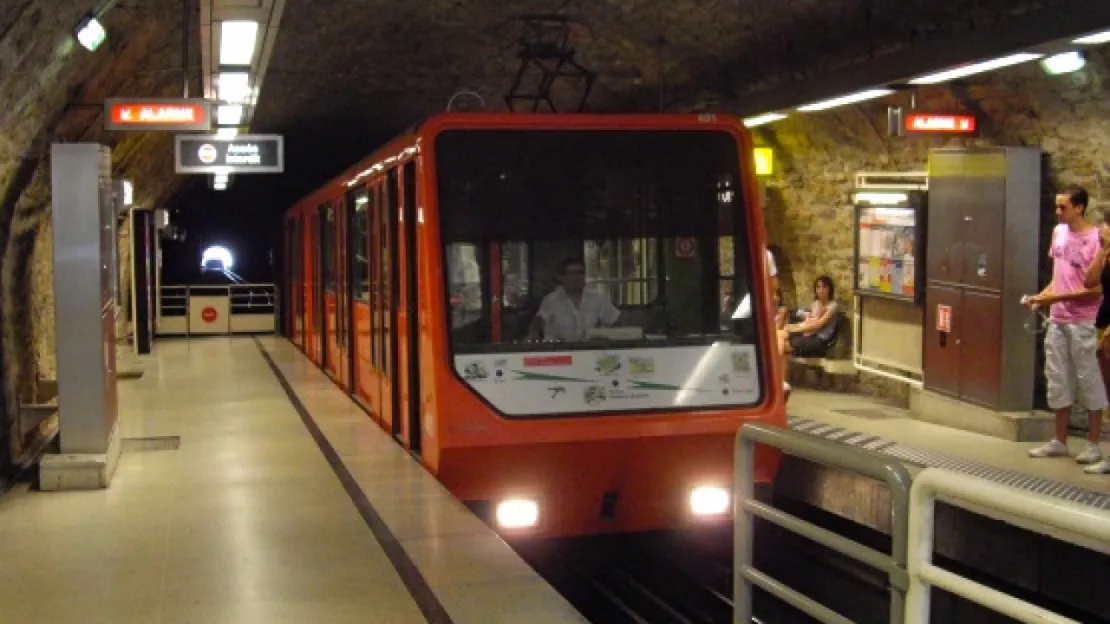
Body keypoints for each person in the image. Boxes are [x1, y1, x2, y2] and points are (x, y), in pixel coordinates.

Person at [1026, 185, 1107, 472]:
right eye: (1057, 206)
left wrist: (1055, 297)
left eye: (1063, 207)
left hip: (1084, 320)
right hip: (1058, 319)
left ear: (1079, 208)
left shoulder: (1096, 240)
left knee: (1089, 379)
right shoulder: (1059, 233)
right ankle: (1059, 439)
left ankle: (1094, 443)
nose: (1058, 212)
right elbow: (1059, 277)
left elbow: (1094, 289)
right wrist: (1042, 296)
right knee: (1057, 377)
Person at [528, 256, 620, 341]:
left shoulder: (597, 299)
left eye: (581, 272)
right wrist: (534, 334)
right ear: (561, 277)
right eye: (572, 273)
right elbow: (539, 322)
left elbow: (615, 321)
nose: (577, 277)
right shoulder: (551, 300)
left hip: (590, 351)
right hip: (559, 352)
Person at [778, 276, 839, 363]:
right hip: (809, 334)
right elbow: (810, 322)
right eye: (818, 287)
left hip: (820, 339)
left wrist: (796, 329)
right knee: (780, 334)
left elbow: (817, 325)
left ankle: (779, 372)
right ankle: (780, 371)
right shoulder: (816, 303)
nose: (821, 290)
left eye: (824, 287)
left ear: (830, 289)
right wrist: (794, 326)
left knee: (781, 345)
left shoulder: (833, 306)